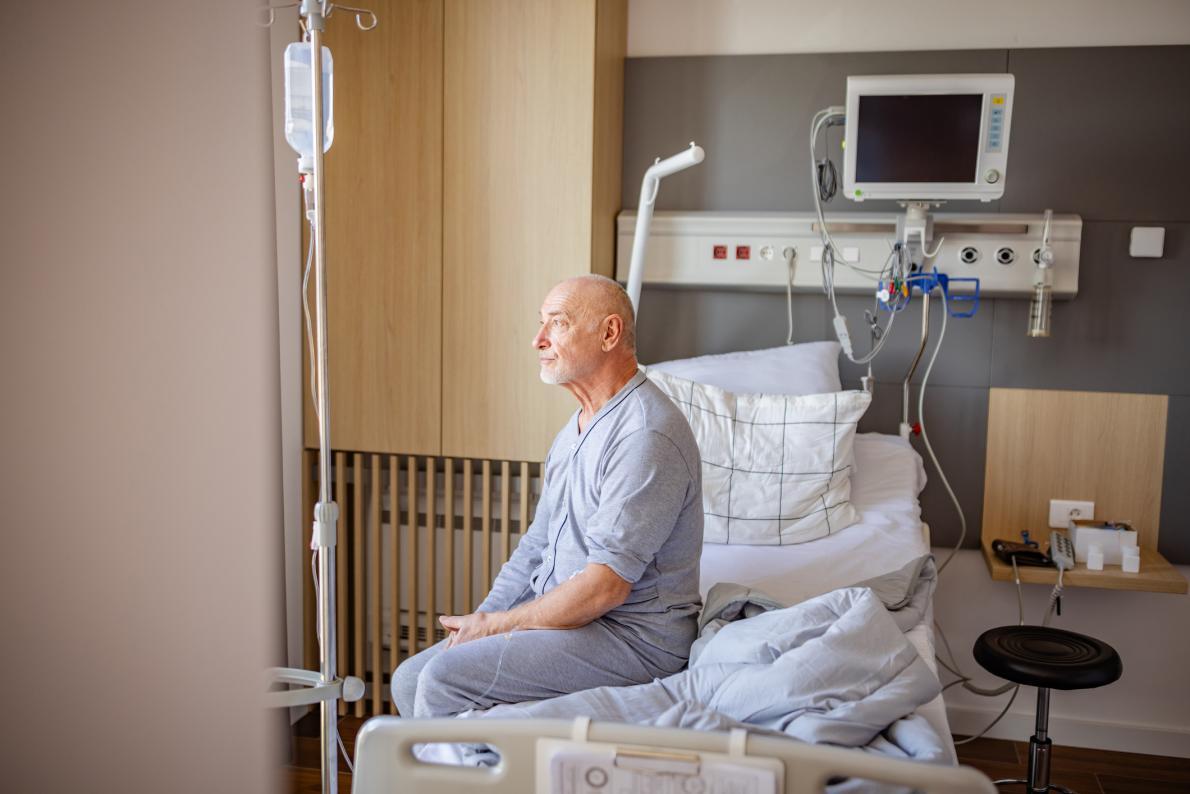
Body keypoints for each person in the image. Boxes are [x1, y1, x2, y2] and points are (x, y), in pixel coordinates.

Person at [391, 274, 703, 718]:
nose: (538, 340)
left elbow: (605, 587)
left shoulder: (645, 434)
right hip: (570, 624)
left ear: (609, 333)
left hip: (630, 638)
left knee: (444, 679)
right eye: (541, 324)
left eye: (557, 323)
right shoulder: (575, 429)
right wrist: (481, 625)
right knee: (409, 678)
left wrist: (498, 627)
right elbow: (537, 547)